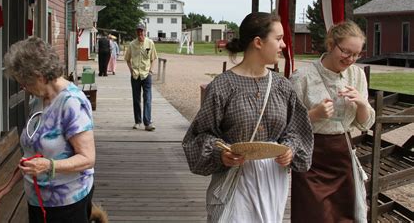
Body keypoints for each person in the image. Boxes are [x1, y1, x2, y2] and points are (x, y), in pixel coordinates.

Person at [182, 12, 313, 222]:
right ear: (258, 42)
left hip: (273, 183)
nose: (283, 46)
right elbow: (198, 136)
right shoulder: (223, 86)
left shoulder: (282, 86)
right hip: (234, 180)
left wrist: (290, 150)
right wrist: (221, 154)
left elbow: (296, 131)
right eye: (278, 39)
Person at [0, 37, 95, 223]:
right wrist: (7, 186)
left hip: (66, 205)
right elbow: (33, 153)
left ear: (38, 75)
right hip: (38, 200)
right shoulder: (40, 100)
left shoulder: (71, 103)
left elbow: (88, 159)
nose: (25, 88)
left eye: (25, 82)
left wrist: (50, 166)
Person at [290, 20, 375, 222]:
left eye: (356, 54)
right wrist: (314, 115)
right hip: (311, 158)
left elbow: (365, 124)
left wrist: (362, 104)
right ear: (330, 45)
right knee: (313, 215)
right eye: (346, 52)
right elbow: (287, 124)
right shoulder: (302, 77)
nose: (351, 59)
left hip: (343, 155)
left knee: (344, 216)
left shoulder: (357, 75)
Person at [124, 23, 158, 131]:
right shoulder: (132, 44)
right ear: (136, 32)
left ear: (145, 31)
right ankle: (138, 121)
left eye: (142, 31)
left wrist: (151, 71)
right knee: (136, 99)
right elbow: (127, 59)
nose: (140, 33)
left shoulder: (150, 43)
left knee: (147, 98)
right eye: (138, 31)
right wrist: (131, 70)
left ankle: (147, 123)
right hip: (135, 75)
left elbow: (154, 58)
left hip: (146, 75)